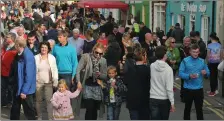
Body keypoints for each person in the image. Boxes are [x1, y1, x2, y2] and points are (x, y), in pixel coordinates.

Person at [75, 43, 107, 120]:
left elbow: (105, 75)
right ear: (93, 50)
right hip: (87, 86)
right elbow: (78, 70)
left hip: (97, 87)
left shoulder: (103, 60)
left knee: (94, 110)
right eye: (97, 52)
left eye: (101, 53)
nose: (98, 55)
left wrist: (99, 75)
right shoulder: (86, 57)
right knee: (89, 108)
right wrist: (78, 81)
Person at [179, 44, 210, 120]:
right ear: (190, 52)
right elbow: (180, 73)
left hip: (199, 89)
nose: (196, 54)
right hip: (188, 89)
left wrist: (205, 73)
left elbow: (208, 73)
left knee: (199, 110)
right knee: (187, 109)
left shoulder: (202, 61)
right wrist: (189, 76)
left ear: (199, 52)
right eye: (194, 52)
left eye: (197, 52)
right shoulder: (185, 61)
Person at [10, 38, 37, 120]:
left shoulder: (28, 55)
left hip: (25, 89)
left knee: (29, 110)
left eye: (15, 44)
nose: (14, 46)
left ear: (19, 45)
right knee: (15, 108)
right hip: (18, 85)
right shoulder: (18, 54)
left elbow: (29, 75)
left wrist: (24, 91)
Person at [124, 48, 150, 120]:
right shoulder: (148, 69)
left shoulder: (129, 69)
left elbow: (125, 82)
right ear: (143, 56)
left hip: (132, 100)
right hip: (144, 100)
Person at [150, 46, 175, 120]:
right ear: (164, 55)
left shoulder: (152, 66)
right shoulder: (168, 69)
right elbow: (169, 88)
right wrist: (172, 103)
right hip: (164, 99)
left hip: (153, 97)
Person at [35, 41, 58, 120]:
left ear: (48, 49)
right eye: (42, 47)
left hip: (49, 83)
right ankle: (39, 117)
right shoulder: (36, 57)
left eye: (45, 47)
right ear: (40, 48)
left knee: (49, 101)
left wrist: (55, 81)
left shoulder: (52, 57)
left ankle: (50, 118)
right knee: (38, 101)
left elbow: (55, 70)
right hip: (38, 82)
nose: (43, 49)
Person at [1, 33, 17, 107]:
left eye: (8, 37)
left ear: (12, 39)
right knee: (3, 88)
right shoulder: (5, 47)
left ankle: (10, 102)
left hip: (10, 72)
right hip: (3, 71)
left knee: (10, 89)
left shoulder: (15, 48)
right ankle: (3, 102)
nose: (6, 38)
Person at [179, 36, 191, 102]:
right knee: (183, 82)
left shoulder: (192, 49)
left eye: (188, 41)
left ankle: (189, 96)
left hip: (190, 68)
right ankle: (183, 96)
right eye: (185, 41)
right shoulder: (180, 48)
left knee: (190, 82)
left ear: (190, 42)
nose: (186, 42)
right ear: (183, 42)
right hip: (183, 67)